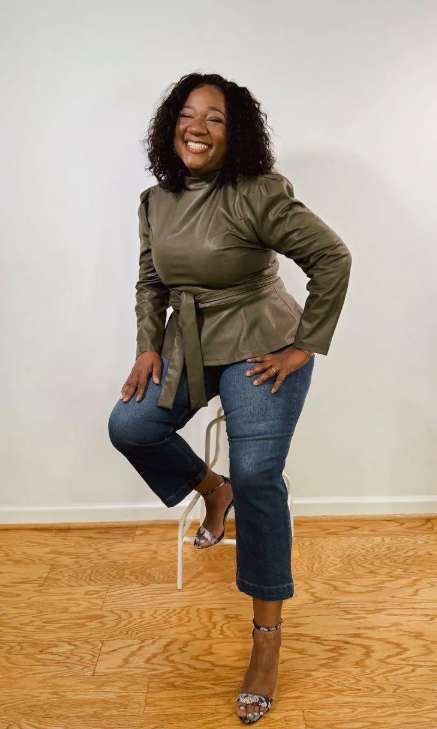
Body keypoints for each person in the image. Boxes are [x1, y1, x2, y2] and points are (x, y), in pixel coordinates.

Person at [108, 72, 352, 724]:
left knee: (259, 474)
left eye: (215, 118)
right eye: (188, 115)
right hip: (188, 346)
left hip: (260, 345)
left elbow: (332, 258)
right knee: (130, 425)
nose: (198, 127)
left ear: (233, 133)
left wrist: (304, 344)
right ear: (171, 126)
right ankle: (212, 490)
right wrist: (147, 346)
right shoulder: (154, 201)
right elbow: (150, 283)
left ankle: (266, 639)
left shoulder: (258, 193)